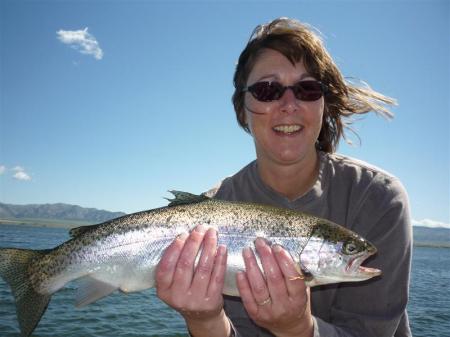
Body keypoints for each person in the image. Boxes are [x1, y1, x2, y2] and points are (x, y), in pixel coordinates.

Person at [155, 17, 412, 337]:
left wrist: (299, 329)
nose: (289, 105)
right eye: (267, 90)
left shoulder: (377, 198)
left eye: (307, 88)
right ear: (242, 109)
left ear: (324, 104)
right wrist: (204, 320)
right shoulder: (215, 209)